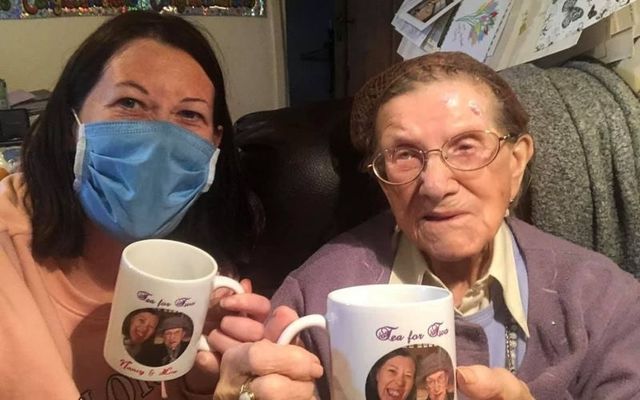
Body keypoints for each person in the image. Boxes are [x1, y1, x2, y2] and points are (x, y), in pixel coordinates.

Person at [271, 51, 640, 399]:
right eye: (404, 155)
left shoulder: (607, 304)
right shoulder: (313, 297)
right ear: (383, 183)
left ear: (516, 162)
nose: (434, 184)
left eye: (465, 146)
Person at [0, 11, 321, 399]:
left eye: (189, 114)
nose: (159, 139)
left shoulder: (205, 269)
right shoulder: (9, 245)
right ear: (73, 125)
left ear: (213, 147)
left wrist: (209, 381)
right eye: (130, 102)